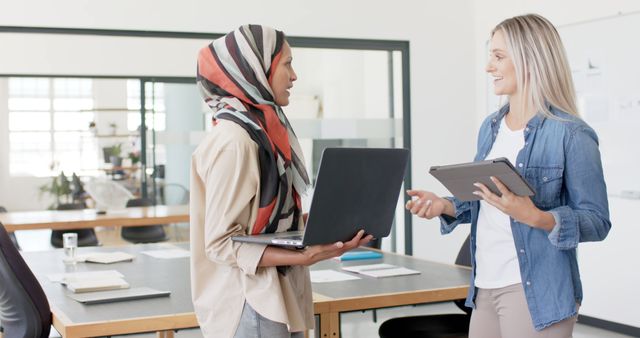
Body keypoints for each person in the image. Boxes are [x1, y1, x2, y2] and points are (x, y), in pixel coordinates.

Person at [406, 14, 610, 338]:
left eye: (498, 57)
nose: (489, 67)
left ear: (530, 60)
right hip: (484, 284)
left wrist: (537, 217)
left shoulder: (571, 134)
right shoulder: (491, 127)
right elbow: (484, 199)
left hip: (536, 290)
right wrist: (443, 206)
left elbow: (598, 221)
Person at [190, 25, 372, 338]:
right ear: (255, 70)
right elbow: (221, 243)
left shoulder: (262, 134)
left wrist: (319, 226)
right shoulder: (237, 141)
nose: (294, 75)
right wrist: (304, 255)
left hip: (274, 296)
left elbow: (259, 224)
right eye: (287, 63)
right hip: (250, 302)